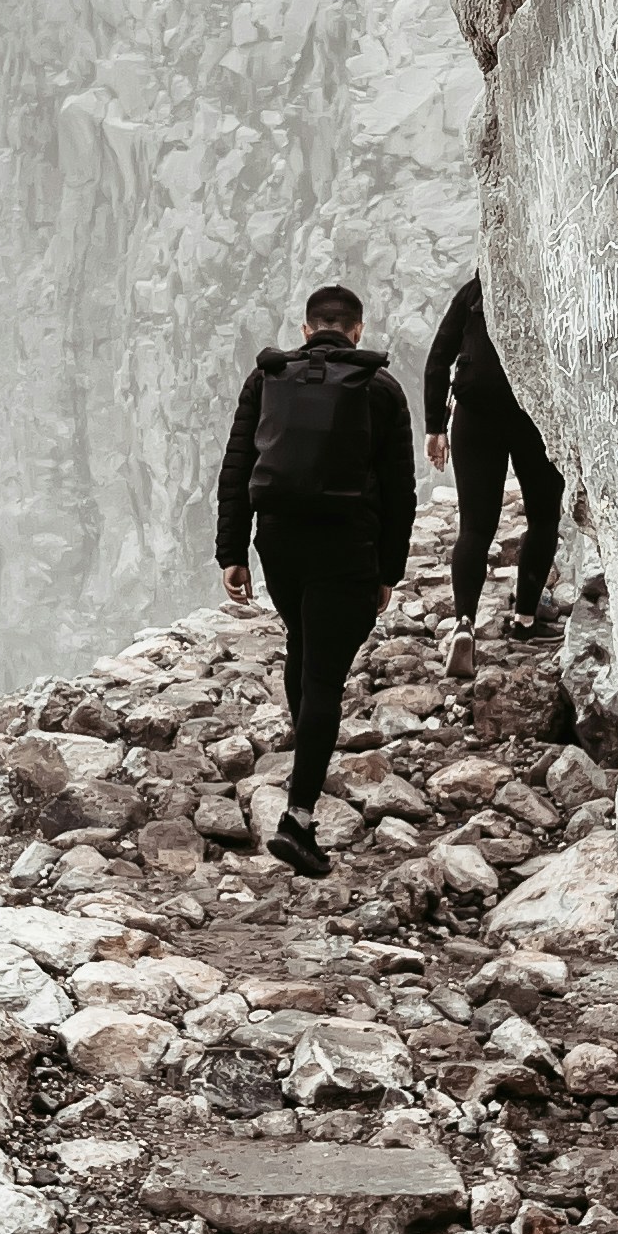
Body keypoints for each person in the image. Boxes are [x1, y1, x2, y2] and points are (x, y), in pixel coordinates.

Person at [216, 281, 415, 878]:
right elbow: (400, 489)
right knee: (325, 674)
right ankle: (298, 821)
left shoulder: (267, 378)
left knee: (303, 646)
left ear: (306, 329)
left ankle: (304, 766)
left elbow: (238, 465)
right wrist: (389, 569)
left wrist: (232, 552)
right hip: (346, 544)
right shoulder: (379, 387)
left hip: (277, 542)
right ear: (357, 331)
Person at [424, 270, 564, 684]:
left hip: (475, 414)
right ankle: (524, 619)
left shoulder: (476, 291)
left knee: (476, 527)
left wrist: (435, 426)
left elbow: (438, 358)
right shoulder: (550, 280)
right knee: (542, 516)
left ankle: (465, 623)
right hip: (532, 416)